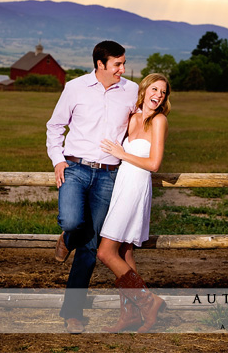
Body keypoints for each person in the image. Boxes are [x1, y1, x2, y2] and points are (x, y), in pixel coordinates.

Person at [46, 40, 138, 334]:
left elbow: (140, 124)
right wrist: (58, 160)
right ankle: (67, 237)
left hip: (109, 175)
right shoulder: (75, 88)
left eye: (123, 64)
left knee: (90, 246)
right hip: (74, 168)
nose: (122, 70)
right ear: (100, 64)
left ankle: (72, 312)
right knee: (72, 221)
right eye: (117, 64)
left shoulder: (131, 90)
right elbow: (55, 126)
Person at [96, 73, 171, 333]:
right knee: (125, 251)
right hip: (121, 184)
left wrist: (122, 153)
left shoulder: (159, 121)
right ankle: (130, 316)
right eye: (154, 89)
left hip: (136, 186)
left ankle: (148, 302)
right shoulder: (133, 117)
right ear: (144, 90)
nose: (158, 95)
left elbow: (153, 164)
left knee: (105, 252)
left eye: (163, 92)